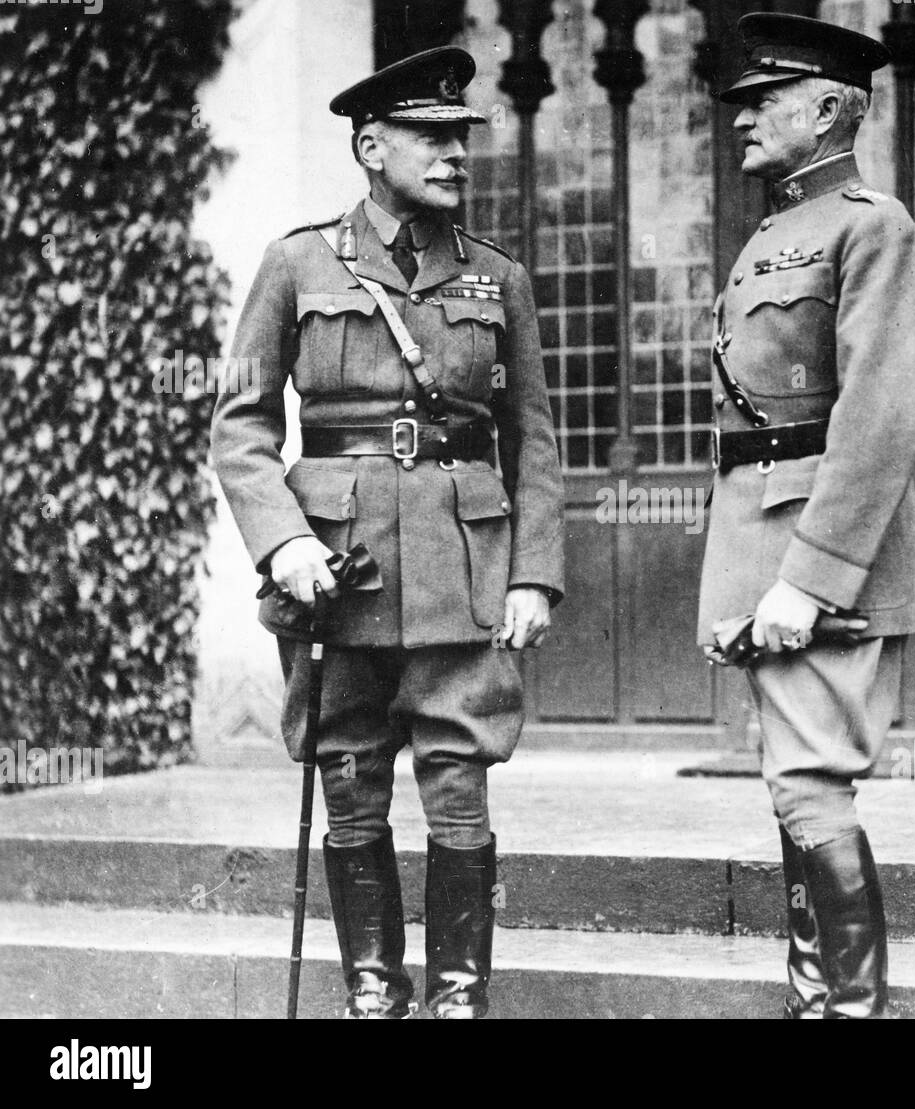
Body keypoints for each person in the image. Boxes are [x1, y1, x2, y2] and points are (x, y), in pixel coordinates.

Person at [210, 46, 564, 1019]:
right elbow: (238, 422)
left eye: (462, 137)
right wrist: (282, 541)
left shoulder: (498, 279)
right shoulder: (297, 263)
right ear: (371, 145)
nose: (456, 153)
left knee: (460, 775)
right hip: (338, 562)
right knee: (350, 766)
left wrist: (534, 573)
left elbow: (532, 436)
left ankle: (457, 994)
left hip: (462, 561)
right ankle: (374, 986)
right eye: (432, 136)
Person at [698, 13, 915, 1019]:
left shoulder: (869, 224)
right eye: (740, 99)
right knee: (790, 782)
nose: (741, 116)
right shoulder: (771, 231)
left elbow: (877, 416)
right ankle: (819, 1001)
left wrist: (810, 575)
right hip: (757, 532)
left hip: (816, 549)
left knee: (810, 782)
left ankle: (846, 1008)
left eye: (765, 99)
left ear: (833, 107)